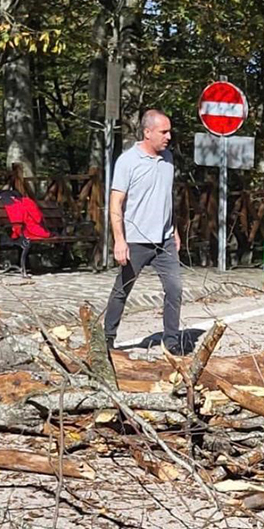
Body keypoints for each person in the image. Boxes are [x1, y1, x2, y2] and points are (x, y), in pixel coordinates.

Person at [103, 109, 186, 354]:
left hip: (165, 240)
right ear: (147, 132)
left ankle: (171, 341)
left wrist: (175, 230)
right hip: (136, 240)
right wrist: (120, 240)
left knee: (175, 289)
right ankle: (107, 339)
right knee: (122, 289)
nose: (168, 136)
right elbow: (115, 202)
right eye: (163, 131)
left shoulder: (168, 159)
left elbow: (166, 197)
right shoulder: (128, 161)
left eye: (169, 131)